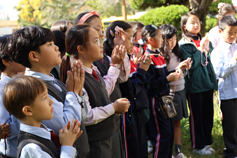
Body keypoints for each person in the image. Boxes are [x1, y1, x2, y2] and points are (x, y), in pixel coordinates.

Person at [8, 26, 87, 157]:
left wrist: (77, 92)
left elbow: (82, 116)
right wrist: (73, 93)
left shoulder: (54, 81)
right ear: (34, 56)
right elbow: (67, 127)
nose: (56, 47)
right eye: (50, 44)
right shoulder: (34, 90)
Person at [60, 24, 130, 158]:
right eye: (95, 41)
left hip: (105, 135)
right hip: (95, 142)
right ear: (81, 49)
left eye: (100, 39)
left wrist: (114, 65)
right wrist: (114, 107)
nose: (101, 44)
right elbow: (87, 116)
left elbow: (103, 90)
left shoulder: (92, 69)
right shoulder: (77, 77)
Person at [3, 75, 82, 158]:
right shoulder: (32, 148)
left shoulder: (45, 131)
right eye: (45, 98)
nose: (51, 101)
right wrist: (67, 146)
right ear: (28, 111)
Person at [138, 24, 182, 158]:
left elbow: (162, 75)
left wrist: (177, 69)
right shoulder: (147, 59)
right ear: (150, 40)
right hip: (155, 101)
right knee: (160, 135)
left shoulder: (159, 55)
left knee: (168, 133)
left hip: (164, 100)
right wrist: (168, 79)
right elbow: (150, 84)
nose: (162, 39)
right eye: (159, 36)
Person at [179, 12, 218, 155]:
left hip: (207, 83)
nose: (196, 25)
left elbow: (211, 59)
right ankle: (198, 145)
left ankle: (207, 142)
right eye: (192, 22)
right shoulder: (183, 45)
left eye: (198, 22)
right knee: (197, 117)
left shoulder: (204, 40)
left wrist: (207, 49)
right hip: (194, 85)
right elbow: (191, 65)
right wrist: (201, 49)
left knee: (208, 114)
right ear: (184, 26)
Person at [116, 21, 151, 158]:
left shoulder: (130, 58)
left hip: (138, 111)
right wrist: (142, 71)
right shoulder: (118, 61)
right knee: (133, 150)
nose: (133, 42)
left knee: (141, 146)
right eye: (130, 38)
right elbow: (130, 91)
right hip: (128, 113)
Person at [160, 24, 190, 158]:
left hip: (180, 90)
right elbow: (164, 75)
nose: (171, 43)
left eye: (174, 40)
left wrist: (186, 66)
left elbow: (180, 71)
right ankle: (168, 151)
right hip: (169, 94)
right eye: (168, 40)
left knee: (177, 122)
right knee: (169, 124)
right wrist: (179, 67)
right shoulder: (160, 55)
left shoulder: (178, 51)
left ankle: (178, 151)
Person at [211, 15, 237, 158]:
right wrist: (233, 60)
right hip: (228, 93)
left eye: (235, 32)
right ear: (220, 32)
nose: (233, 35)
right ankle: (231, 152)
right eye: (229, 32)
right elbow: (220, 72)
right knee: (230, 126)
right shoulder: (217, 52)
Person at [0, 34, 25, 158]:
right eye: (18, 53)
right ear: (6, 61)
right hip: (13, 153)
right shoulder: (2, 89)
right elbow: (7, 130)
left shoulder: (24, 81)